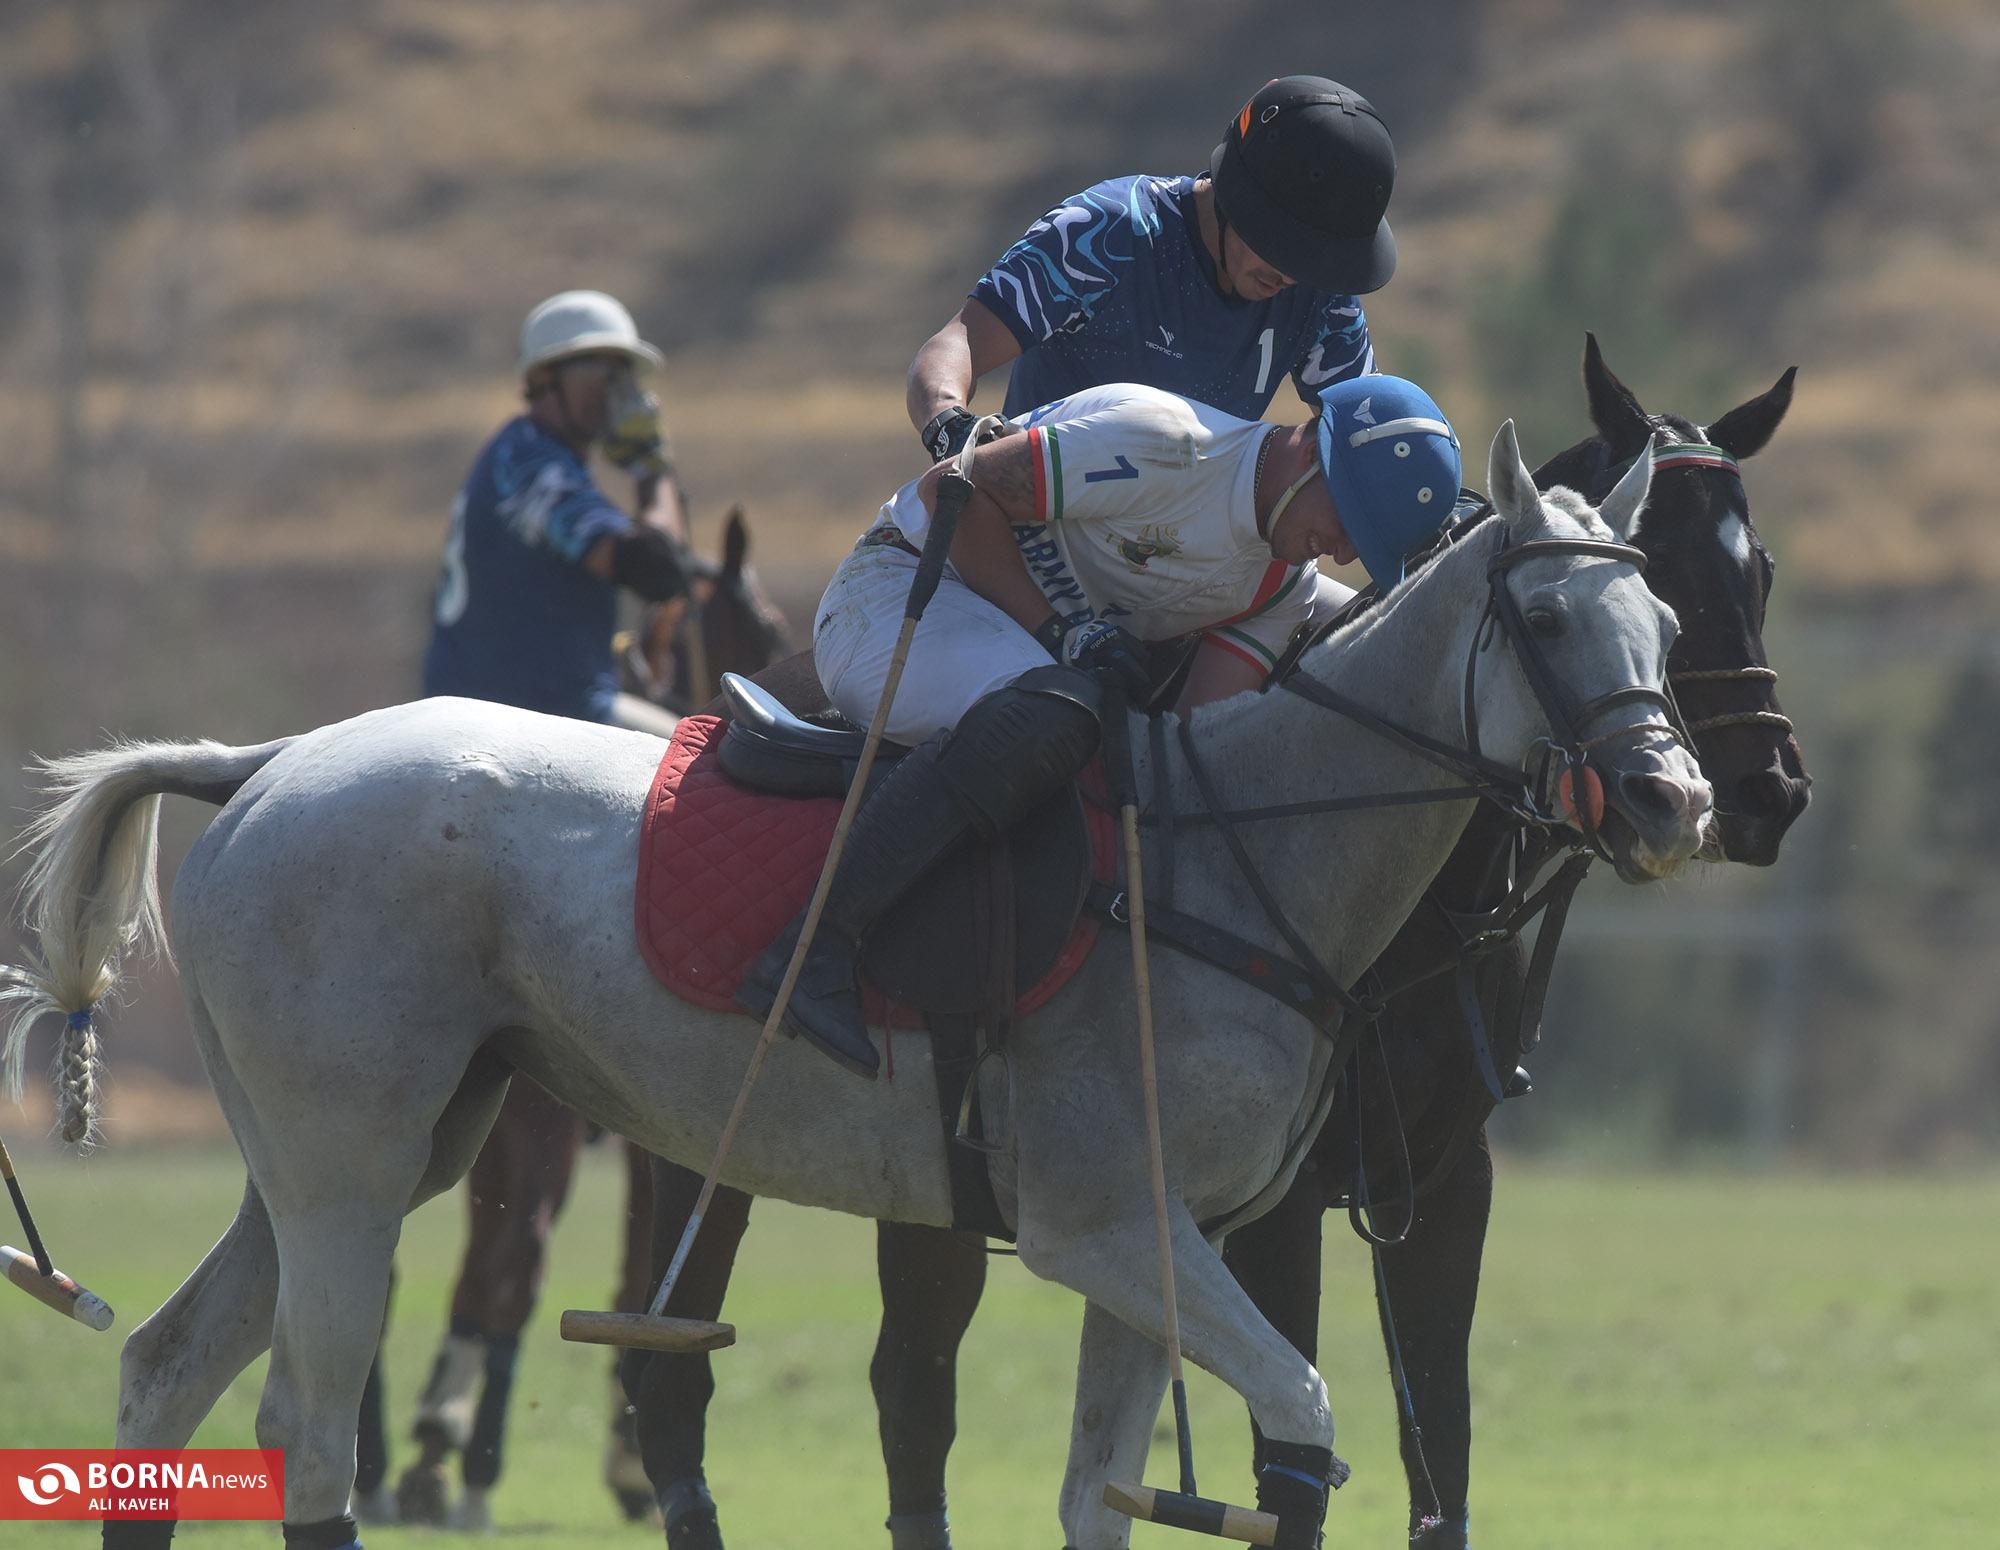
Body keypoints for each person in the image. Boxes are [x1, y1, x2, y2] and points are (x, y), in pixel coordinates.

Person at [738, 373, 1461, 1078]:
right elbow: (951, 494)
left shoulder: (1282, 587)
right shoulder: (1167, 444)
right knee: (1057, 711)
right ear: (1309, 451)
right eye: (1350, 521)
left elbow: (1189, 738)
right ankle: (810, 952)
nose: (1344, 552)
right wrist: (1060, 633)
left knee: (1130, 757)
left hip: (1016, 653)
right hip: (900, 596)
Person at [908, 74, 1395, 464]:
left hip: (1185, 552)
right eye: (1282, 247)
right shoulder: (1107, 232)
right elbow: (960, 343)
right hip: (1042, 537)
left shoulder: (1319, 292)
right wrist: (948, 421)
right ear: (1236, 197)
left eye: (1312, 260)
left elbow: (1371, 432)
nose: (1291, 277)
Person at [423, 289, 691, 736]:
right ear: (545, 379)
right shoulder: (532, 464)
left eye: (623, 374)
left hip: (488, 706)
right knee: (699, 769)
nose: (617, 390)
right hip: (540, 715)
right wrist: (651, 468)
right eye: (601, 370)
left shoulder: (524, 454)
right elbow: (657, 567)